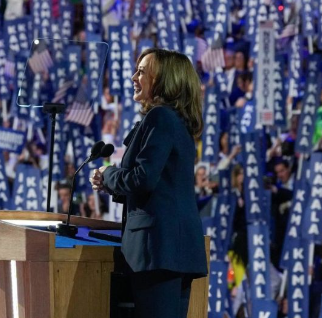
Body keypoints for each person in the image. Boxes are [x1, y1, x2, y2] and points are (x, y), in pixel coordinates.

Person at [89, 48, 208, 318]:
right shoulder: (177, 121)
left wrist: (108, 174)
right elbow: (162, 186)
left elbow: (143, 178)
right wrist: (111, 186)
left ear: (165, 80)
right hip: (173, 249)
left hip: (157, 250)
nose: (134, 76)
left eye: (142, 71)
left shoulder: (160, 117)